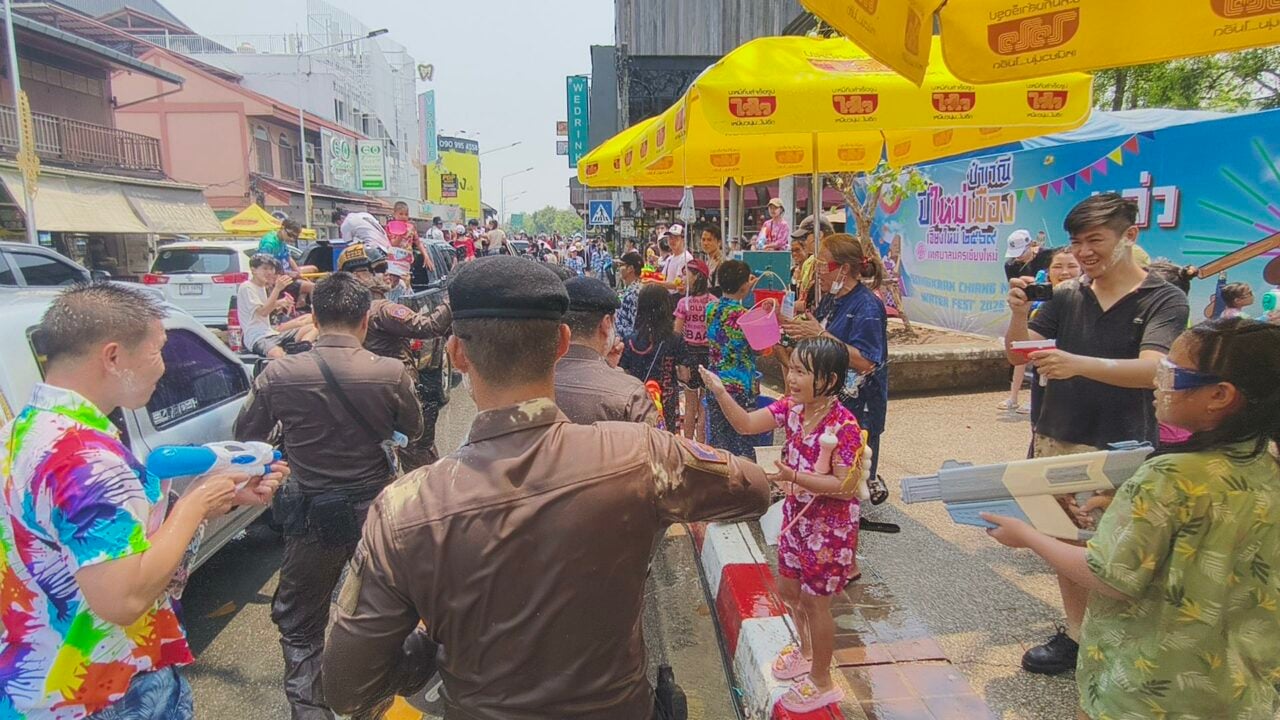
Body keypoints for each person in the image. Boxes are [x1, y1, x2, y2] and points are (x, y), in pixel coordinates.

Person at [320, 255, 774, 719]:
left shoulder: (404, 508)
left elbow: (348, 685)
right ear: (561, 343)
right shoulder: (641, 454)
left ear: (457, 353)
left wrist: (439, 644)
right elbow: (754, 488)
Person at [0, 283, 284, 719]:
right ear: (113, 357)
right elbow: (123, 599)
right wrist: (195, 505)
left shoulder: (25, 431)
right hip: (103, 691)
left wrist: (213, 499)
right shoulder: (87, 460)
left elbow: (104, 548)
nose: (163, 366)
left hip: (39, 679)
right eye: (157, 351)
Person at [985, 318, 1280, 720]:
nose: (1157, 382)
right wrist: (1121, 508)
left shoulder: (1168, 476)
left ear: (1219, 395)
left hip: (1147, 687)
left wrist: (1028, 535)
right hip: (1238, 685)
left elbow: (1110, 577)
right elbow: (1207, 537)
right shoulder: (1266, 462)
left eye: (1171, 373)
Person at [1005, 193, 1191, 675]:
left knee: (1119, 550)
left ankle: (1118, 641)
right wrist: (1019, 314)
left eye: (1095, 240)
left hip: (1121, 445)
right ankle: (1076, 633)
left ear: (1130, 235)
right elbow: (1018, 354)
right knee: (1066, 540)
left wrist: (1076, 364)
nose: (1084, 252)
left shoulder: (1163, 299)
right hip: (1056, 436)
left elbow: (1153, 370)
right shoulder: (1067, 295)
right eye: (1075, 242)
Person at [235, 273, 423, 720]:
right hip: (374, 515)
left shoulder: (279, 373)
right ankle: (370, 706)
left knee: (300, 625)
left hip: (310, 517)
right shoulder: (390, 372)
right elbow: (413, 431)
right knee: (382, 616)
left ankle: (311, 711)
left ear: (315, 319)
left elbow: (247, 437)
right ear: (365, 320)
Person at [701, 338, 866, 713]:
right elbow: (745, 424)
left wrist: (795, 477)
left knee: (816, 603)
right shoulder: (792, 408)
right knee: (789, 590)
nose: (791, 378)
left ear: (829, 380)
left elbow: (845, 486)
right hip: (796, 517)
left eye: (802, 372)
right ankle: (806, 652)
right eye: (791, 368)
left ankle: (822, 682)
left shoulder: (844, 426)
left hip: (830, 528)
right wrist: (719, 391)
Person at [781, 234, 891, 510]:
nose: (818, 270)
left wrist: (819, 334)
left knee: (848, 479)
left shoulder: (867, 306)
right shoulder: (832, 299)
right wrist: (788, 326)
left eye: (823, 264)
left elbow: (867, 361)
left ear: (844, 269)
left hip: (859, 403)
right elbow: (819, 337)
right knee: (825, 470)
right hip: (831, 400)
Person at [337, 244, 452, 472]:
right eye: (378, 270)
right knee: (421, 463)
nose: (386, 275)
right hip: (396, 394)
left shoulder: (341, 311)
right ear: (358, 275)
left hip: (362, 396)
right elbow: (430, 326)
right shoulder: (381, 309)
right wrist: (452, 298)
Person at [555, 276, 658, 426]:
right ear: (606, 323)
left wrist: (606, 365)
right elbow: (656, 439)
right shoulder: (631, 393)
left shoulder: (534, 382)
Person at [1026, 248, 1084, 437]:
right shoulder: (1037, 304)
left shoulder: (1088, 302)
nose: (1065, 272)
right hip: (1044, 382)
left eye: (1072, 266)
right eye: (1058, 266)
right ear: (1048, 272)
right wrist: (1019, 312)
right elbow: (1020, 350)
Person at [705, 260, 759, 460]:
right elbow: (760, 348)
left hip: (715, 381)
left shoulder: (710, 309)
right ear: (744, 286)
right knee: (741, 440)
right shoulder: (746, 316)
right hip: (739, 385)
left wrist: (744, 287)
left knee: (719, 441)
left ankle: (719, 475)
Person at [1000, 229, 1054, 413]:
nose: (1018, 257)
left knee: (1040, 354)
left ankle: (1035, 398)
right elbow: (1016, 290)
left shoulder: (1049, 256)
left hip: (1047, 309)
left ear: (1031, 245)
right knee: (1019, 352)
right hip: (1026, 310)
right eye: (1015, 254)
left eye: (1022, 252)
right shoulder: (1010, 265)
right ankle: (1013, 396)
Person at [621, 284, 686, 432]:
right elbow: (684, 375)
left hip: (638, 402)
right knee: (666, 440)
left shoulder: (630, 340)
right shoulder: (675, 339)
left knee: (640, 438)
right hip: (666, 402)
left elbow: (624, 372)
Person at [237, 254, 318, 359]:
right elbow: (263, 312)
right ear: (254, 270)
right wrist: (277, 289)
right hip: (257, 337)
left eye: (271, 269)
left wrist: (280, 303)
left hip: (272, 333)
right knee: (277, 354)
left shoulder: (262, 287)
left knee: (314, 327)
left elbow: (267, 307)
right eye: (265, 269)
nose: (269, 272)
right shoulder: (247, 287)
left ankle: (301, 347)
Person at [674, 259, 714, 441]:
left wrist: (678, 361)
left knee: (690, 405)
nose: (682, 278)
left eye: (686, 274)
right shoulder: (713, 303)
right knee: (704, 405)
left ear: (697, 276)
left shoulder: (684, 303)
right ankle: (702, 446)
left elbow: (676, 333)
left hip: (689, 355)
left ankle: (688, 446)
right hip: (709, 356)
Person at [791, 215, 835, 314]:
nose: (804, 242)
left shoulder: (834, 261)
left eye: (805, 237)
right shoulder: (809, 262)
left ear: (819, 235)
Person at [655, 224, 693, 293]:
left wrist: (654, 282)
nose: (672, 241)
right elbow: (662, 277)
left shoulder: (685, 257)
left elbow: (677, 284)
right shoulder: (669, 259)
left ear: (683, 239)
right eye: (670, 238)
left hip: (678, 297)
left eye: (676, 238)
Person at [616, 251, 644, 340]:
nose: (618, 268)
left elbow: (634, 325)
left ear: (630, 269)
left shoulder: (634, 293)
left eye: (621, 265)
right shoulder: (632, 289)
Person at [699, 224, 726, 294]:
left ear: (719, 242)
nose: (705, 243)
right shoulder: (707, 261)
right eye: (703, 239)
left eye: (709, 240)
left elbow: (719, 289)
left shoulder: (722, 262)